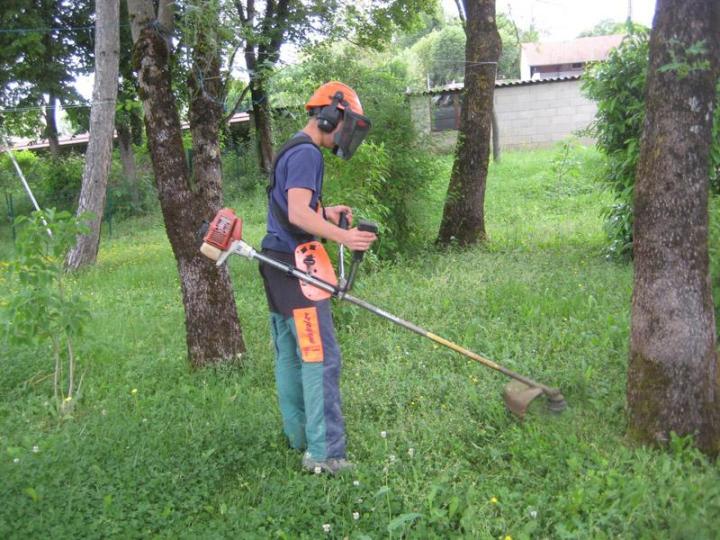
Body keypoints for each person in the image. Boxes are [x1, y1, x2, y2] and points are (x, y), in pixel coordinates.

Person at [259, 81, 377, 474]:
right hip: (295, 267)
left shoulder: (292, 146)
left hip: (275, 262)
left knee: (291, 356)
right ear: (331, 113)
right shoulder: (308, 153)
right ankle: (325, 454)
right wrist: (344, 235)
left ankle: (298, 437)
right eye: (348, 124)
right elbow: (296, 214)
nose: (347, 134)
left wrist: (324, 214)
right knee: (320, 357)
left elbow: (287, 208)